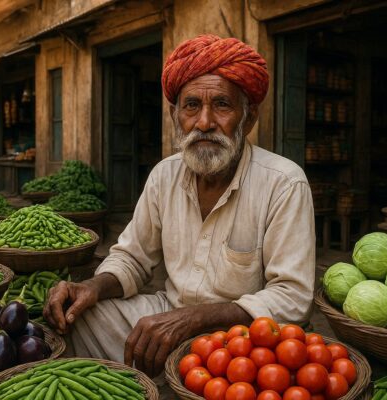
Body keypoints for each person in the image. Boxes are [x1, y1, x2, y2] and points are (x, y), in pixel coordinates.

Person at [44, 34, 315, 377]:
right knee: (79, 319)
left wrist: (195, 319)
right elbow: (132, 257)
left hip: (244, 338)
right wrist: (91, 288)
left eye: (221, 105)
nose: (204, 123)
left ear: (249, 118)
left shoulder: (283, 182)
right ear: (175, 115)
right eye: (191, 106)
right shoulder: (164, 176)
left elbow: (292, 297)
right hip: (169, 310)